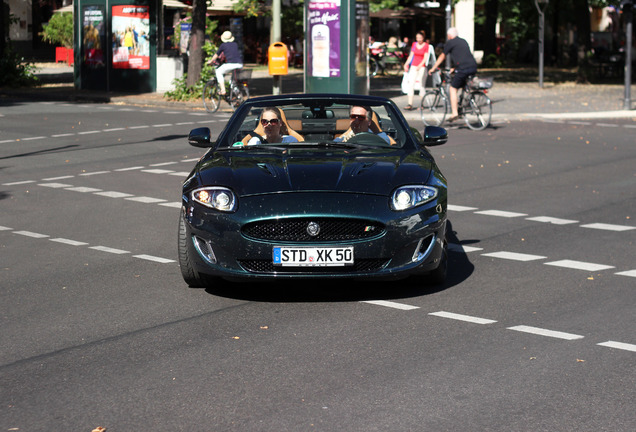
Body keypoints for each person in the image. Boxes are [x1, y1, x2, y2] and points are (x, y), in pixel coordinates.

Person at [428, 27, 478, 122]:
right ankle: (464, 102)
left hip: (463, 69)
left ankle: (455, 113)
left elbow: (443, 55)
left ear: (449, 35)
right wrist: (454, 68)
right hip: (472, 66)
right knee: (462, 84)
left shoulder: (450, 42)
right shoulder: (463, 41)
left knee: (452, 88)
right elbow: (463, 56)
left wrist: (433, 68)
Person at [207, 31, 243, 96]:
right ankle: (238, 95)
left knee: (218, 71)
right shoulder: (235, 44)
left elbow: (216, 55)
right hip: (239, 64)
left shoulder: (223, 45)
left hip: (231, 64)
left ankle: (223, 90)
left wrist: (211, 61)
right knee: (232, 81)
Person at [403, 31, 432, 110]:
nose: (418, 39)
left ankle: (421, 104)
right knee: (411, 84)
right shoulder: (414, 44)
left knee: (421, 85)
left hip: (421, 67)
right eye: (417, 38)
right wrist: (406, 64)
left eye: (420, 38)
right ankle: (410, 103)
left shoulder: (426, 45)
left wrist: (420, 65)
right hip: (413, 66)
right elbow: (411, 55)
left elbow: (426, 57)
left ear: (423, 38)